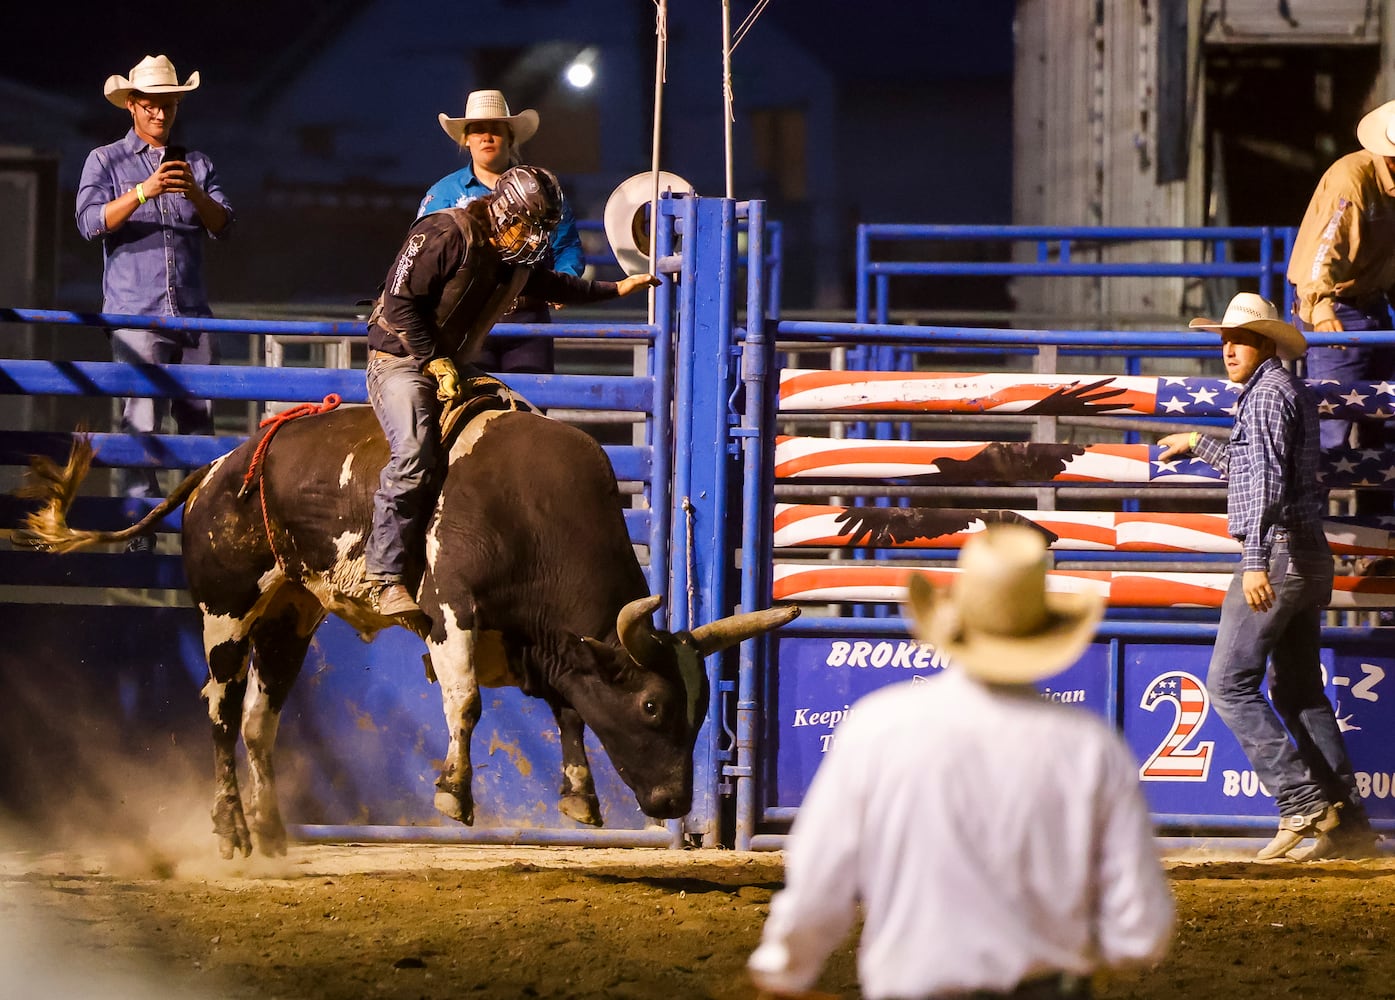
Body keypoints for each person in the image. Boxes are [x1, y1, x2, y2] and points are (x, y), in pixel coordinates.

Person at [747, 525, 1174, 1000]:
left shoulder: (878, 729)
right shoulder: (1091, 749)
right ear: (1044, 631)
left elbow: (819, 882)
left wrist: (784, 969)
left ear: (954, 622)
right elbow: (1140, 930)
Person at [366, 164, 658, 625]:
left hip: (455, 365)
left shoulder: (514, 257)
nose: (536, 238)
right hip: (399, 359)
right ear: (503, 211)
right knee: (413, 453)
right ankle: (384, 575)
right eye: (530, 225)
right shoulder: (445, 232)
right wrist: (433, 360)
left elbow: (555, 285)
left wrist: (616, 288)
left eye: (542, 228)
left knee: (520, 433)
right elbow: (400, 300)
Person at [1158, 292, 1377, 862]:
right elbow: (1261, 468)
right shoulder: (1286, 393)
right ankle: (1348, 821)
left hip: (1276, 554)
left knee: (1230, 683)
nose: (1228, 348)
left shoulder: (1264, 399)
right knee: (1300, 689)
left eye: (1238, 339)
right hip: (1307, 555)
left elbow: (1265, 487)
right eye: (1225, 340)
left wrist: (1253, 558)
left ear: (1263, 344)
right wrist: (1198, 443)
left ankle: (1301, 803)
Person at [75, 54, 234, 551]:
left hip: (192, 316)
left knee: (199, 423)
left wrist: (194, 192)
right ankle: (139, 533)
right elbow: (88, 222)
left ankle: (201, 528)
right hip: (136, 314)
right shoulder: (105, 161)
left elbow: (225, 224)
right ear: (132, 106)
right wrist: (143, 192)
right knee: (141, 418)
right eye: (150, 106)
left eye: (167, 106)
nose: (160, 115)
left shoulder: (198, 164)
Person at [418, 89, 585, 374]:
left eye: (495, 129)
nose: (486, 137)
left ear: (509, 137)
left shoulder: (543, 190)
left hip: (527, 317)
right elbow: (422, 258)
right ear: (466, 140)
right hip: (465, 314)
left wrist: (564, 280)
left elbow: (567, 246)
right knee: (469, 407)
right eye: (478, 130)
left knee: (530, 409)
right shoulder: (443, 194)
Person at [1287, 98, 1395, 516]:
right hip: (1340, 309)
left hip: (1370, 306)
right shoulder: (1352, 180)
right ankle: (1304, 537)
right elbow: (1323, 250)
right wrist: (1322, 306)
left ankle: (1376, 541)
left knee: (1383, 424)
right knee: (1328, 428)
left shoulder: (1379, 183)